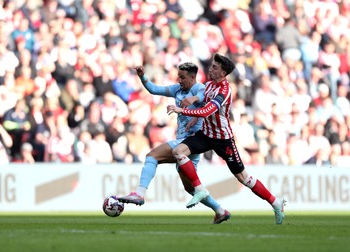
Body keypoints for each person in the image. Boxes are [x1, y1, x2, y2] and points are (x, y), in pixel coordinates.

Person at [167, 53, 286, 224]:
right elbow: (202, 103)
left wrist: (183, 111)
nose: (211, 69)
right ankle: (200, 189)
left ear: (223, 73)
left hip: (223, 140)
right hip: (206, 134)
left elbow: (207, 111)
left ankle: (276, 202)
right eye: (212, 65)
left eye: (215, 67)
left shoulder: (224, 91)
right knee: (178, 152)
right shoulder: (208, 85)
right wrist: (195, 110)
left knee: (243, 178)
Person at [118, 63, 231, 224]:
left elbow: (201, 98)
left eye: (183, 77)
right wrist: (142, 77)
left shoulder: (200, 88)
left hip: (190, 142)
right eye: (179, 76)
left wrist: (194, 102)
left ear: (193, 77)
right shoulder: (177, 90)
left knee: (152, 156)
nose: (179, 80)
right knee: (190, 188)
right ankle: (220, 211)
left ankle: (139, 193)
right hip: (188, 146)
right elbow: (153, 89)